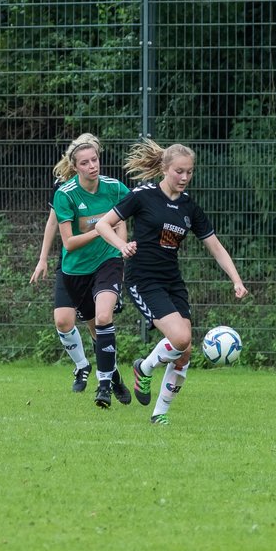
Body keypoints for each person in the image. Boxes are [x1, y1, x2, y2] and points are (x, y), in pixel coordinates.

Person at [95, 139, 248, 424]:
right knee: (180, 338)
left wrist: (236, 279)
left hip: (172, 281)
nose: (185, 178)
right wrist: (121, 244)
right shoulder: (143, 196)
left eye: (189, 172)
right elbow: (104, 224)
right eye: (179, 171)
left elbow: (215, 246)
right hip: (143, 279)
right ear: (165, 169)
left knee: (184, 352)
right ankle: (145, 367)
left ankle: (159, 415)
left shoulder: (190, 208)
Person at [47, 134, 132, 408]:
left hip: (108, 262)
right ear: (75, 167)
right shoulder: (66, 195)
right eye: (85, 163)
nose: (92, 166)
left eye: (94, 160)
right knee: (93, 329)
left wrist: (120, 245)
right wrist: (102, 229)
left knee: (105, 316)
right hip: (76, 271)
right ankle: (114, 374)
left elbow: (127, 216)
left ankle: (103, 386)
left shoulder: (115, 188)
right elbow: (69, 243)